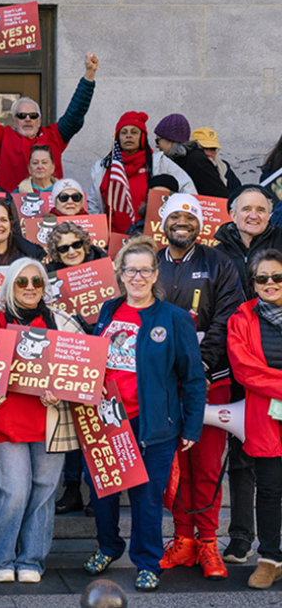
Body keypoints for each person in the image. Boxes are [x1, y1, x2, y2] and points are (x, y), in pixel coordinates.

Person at [84, 235, 206, 592]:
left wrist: (192, 425)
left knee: (147, 495)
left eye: (145, 270)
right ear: (120, 274)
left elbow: (193, 377)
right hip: (108, 419)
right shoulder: (109, 310)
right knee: (102, 491)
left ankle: (147, 560)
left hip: (154, 424)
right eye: (130, 270)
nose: (137, 277)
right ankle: (108, 546)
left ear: (156, 274)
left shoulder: (174, 318)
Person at [153, 193, 244, 580]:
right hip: (162, 385)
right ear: (163, 221)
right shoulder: (150, 263)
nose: (182, 223)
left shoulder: (219, 262)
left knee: (205, 465)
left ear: (199, 225)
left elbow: (228, 316)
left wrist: (201, 365)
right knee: (175, 467)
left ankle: (208, 542)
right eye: (175, 216)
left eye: (189, 217)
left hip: (211, 380)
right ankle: (183, 539)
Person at [0, 258, 82, 584]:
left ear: (44, 287)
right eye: (21, 282)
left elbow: (86, 370)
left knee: (43, 492)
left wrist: (63, 390)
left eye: (36, 282)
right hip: (5, 421)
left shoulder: (62, 322)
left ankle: (31, 560)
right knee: (12, 490)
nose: (29, 288)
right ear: (10, 285)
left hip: (50, 422)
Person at [0, 46, 98, 192]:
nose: (28, 119)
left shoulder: (54, 136)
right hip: (11, 210)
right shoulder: (2, 138)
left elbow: (75, 113)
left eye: (33, 116)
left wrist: (89, 75)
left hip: (49, 211)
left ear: (40, 121)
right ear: (14, 122)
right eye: (22, 116)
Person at [227, 248, 282, 588]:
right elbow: (245, 370)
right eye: (262, 278)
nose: (270, 283)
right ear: (253, 283)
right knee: (270, 488)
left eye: (277, 277)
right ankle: (270, 557)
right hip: (265, 414)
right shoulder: (241, 318)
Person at [91, 111, 162, 227]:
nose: (128, 135)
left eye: (134, 132)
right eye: (123, 132)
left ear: (142, 137)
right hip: (113, 238)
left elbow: (186, 189)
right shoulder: (103, 167)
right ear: (117, 138)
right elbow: (93, 204)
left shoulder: (159, 163)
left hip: (148, 238)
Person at [215, 185, 282, 295]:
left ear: (269, 215)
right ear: (234, 215)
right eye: (246, 209)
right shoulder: (218, 254)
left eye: (260, 210)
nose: (254, 216)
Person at [153, 114, 229, 198]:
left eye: (158, 141)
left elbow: (219, 194)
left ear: (171, 140)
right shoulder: (175, 160)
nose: (157, 146)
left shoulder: (195, 160)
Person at [191, 127, 242, 195]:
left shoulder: (224, 168)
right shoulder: (186, 168)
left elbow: (237, 194)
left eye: (213, 149)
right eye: (204, 148)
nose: (209, 153)